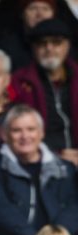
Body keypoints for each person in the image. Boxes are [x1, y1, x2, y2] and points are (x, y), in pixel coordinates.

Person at [0, 104, 78, 235]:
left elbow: (74, 208)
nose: (25, 136)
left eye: (31, 129)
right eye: (17, 130)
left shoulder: (65, 168)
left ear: (41, 133)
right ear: (5, 135)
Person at [12, 18, 78, 166]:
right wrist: (57, 156)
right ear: (33, 48)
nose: (49, 48)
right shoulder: (19, 82)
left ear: (68, 45)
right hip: (41, 161)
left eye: (56, 42)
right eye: (42, 43)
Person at [0, 0, 56, 71]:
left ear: (53, 15)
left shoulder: (63, 46)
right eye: (33, 8)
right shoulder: (6, 49)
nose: (39, 14)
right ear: (22, 14)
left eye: (45, 9)